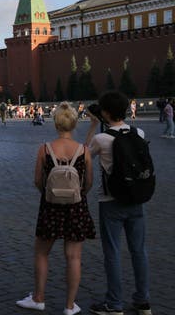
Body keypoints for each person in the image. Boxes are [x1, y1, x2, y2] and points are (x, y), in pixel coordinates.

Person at [15, 102, 95, 315]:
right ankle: (69, 305)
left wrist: (49, 194)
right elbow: (88, 183)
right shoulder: (84, 150)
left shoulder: (45, 149)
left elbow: (37, 180)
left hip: (50, 207)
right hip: (77, 207)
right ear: (74, 123)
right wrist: (77, 194)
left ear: (56, 123)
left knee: (42, 253)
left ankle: (39, 298)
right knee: (74, 257)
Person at [85, 91, 152, 315]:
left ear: (104, 112)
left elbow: (82, 156)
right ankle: (143, 301)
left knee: (112, 253)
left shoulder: (102, 139)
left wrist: (93, 126)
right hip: (137, 199)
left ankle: (114, 304)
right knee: (139, 251)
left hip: (110, 201)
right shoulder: (139, 132)